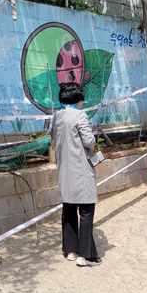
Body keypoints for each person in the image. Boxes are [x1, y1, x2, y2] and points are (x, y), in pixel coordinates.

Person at [50, 83, 102, 267]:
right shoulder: (80, 116)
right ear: (76, 99)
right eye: (81, 98)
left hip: (64, 170)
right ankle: (85, 255)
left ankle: (70, 250)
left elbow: (52, 137)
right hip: (81, 169)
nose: (82, 101)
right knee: (86, 212)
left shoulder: (56, 116)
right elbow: (89, 141)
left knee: (69, 209)